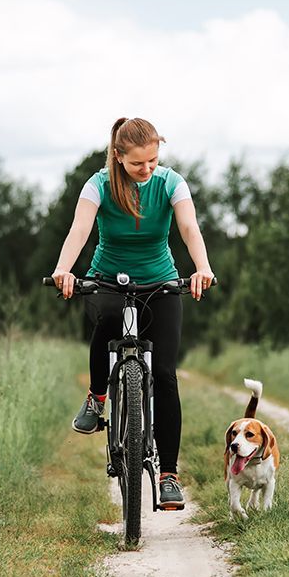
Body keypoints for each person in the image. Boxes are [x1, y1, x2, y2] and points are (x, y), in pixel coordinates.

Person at [51, 117, 215, 511]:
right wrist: (64, 268)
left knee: (164, 373)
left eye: (153, 161)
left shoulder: (170, 182)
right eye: (138, 163)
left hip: (160, 282)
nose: (147, 170)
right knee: (106, 319)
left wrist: (202, 267)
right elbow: (80, 229)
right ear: (118, 156)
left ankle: (169, 475)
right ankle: (97, 397)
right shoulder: (99, 184)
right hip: (107, 278)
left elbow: (189, 227)